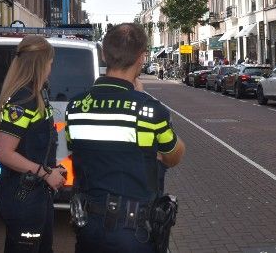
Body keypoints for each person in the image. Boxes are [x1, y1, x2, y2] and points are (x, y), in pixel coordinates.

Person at [65, 23, 186, 252]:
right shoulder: (150, 111)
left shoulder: (75, 106)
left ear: (104, 54)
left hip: (88, 227)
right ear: (141, 58)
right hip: (134, 232)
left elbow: (76, 149)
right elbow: (174, 156)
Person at [0, 35, 67, 253]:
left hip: (35, 193)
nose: (51, 69)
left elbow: (33, 147)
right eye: (50, 63)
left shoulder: (36, 96)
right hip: (24, 196)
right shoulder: (24, 100)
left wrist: (51, 170)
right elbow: (4, 153)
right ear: (40, 64)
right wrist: (45, 173)